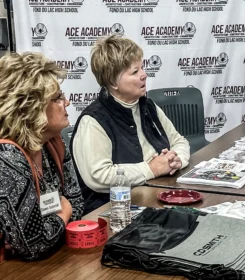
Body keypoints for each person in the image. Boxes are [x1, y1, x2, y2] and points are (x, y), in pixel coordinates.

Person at [71, 35, 190, 214]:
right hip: (113, 211)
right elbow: (98, 176)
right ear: (113, 82)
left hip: (156, 196)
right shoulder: (93, 121)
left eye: (142, 67)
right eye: (135, 72)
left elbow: (179, 141)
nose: (144, 75)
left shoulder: (148, 106)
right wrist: (151, 169)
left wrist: (177, 159)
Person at [0, 52, 84, 260]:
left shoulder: (53, 142)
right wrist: (63, 214)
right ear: (30, 108)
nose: (67, 102)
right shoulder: (6, 158)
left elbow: (78, 204)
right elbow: (34, 245)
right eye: (58, 98)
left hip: (53, 258)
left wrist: (55, 221)